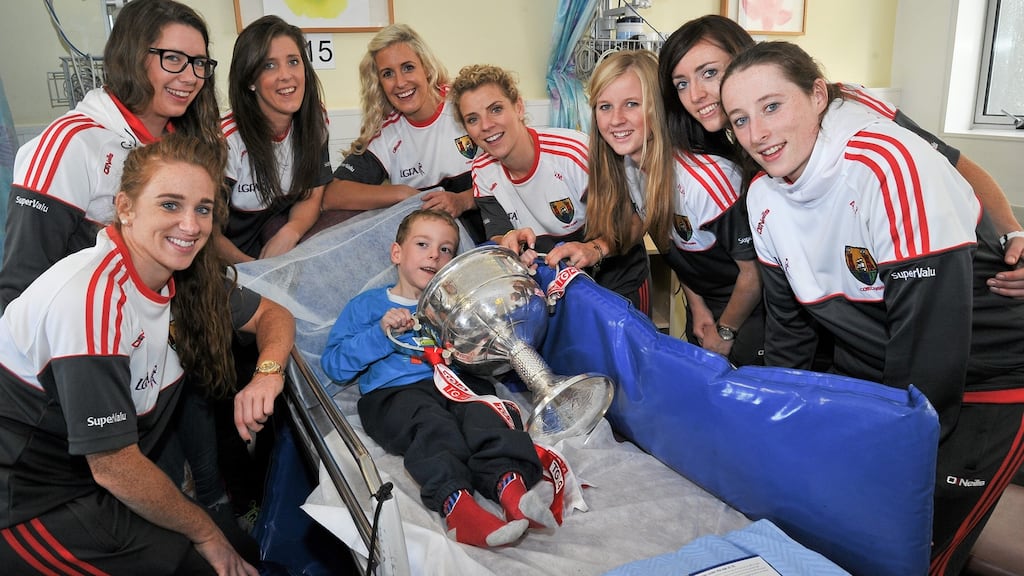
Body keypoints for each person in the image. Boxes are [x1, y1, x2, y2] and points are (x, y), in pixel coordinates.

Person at [719, 40, 1024, 576]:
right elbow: (790, 336)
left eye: (772, 106)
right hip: (882, 364)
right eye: (740, 119)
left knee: (917, 550)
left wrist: (885, 458)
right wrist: (773, 428)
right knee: (838, 526)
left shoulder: (888, 165)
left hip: (982, 381)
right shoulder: (763, 199)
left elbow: (929, 353)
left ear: (817, 96)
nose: (757, 134)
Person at [0, 133, 278, 575]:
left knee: (241, 555)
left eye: (202, 209)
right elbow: (114, 465)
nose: (190, 225)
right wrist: (206, 533)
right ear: (125, 208)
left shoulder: (183, 279)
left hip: (96, 481)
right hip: (31, 502)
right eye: (170, 205)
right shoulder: (90, 300)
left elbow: (273, 316)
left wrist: (268, 374)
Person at [658, 14, 1024, 299]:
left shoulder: (847, 106)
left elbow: (951, 162)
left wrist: (1012, 232)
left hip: (961, 277)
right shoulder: (718, 143)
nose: (697, 95)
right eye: (682, 83)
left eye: (710, 73)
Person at [320, 209, 556, 548]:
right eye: (423, 244)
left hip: (456, 381)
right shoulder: (367, 306)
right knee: (431, 426)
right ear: (397, 253)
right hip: (394, 394)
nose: (434, 254)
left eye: (446, 249)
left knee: (486, 412)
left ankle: (510, 486)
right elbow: (335, 366)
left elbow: (483, 351)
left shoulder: (459, 305)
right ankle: (458, 506)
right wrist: (380, 332)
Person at [0, 0, 222, 310]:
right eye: (172, 58)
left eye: (199, 62)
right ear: (131, 58)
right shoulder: (71, 144)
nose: (190, 77)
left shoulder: (185, 145)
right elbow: (20, 291)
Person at [449, 63, 650, 314]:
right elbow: (499, 233)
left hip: (617, 278)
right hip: (559, 287)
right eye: (473, 119)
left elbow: (633, 221)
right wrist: (509, 243)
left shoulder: (573, 153)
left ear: (519, 107)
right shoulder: (481, 171)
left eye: (496, 109)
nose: (486, 125)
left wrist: (594, 249)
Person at [320, 24, 486, 243]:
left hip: (494, 236)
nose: (400, 83)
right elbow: (333, 194)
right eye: (388, 74)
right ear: (379, 83)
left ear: (426, 67)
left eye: (408, 67)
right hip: (432, 253)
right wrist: (402, 194)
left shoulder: (465, 104)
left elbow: (512, 171)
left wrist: (462, 200)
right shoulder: (387, 133)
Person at [217, 15, 333, 264]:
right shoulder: (226, 141)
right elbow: (203, 233)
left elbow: (312, 195)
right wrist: (255, 272)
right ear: (250, 80)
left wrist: (292, 230)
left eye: (293, 61)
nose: (286, 75)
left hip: (273, 245)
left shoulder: (315, 119)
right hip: (228, 263)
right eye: (269, 65)